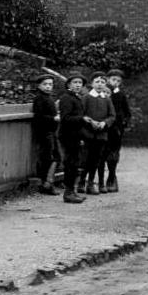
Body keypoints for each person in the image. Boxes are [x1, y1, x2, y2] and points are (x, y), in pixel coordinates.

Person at [81, 71, 116, 195]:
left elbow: (112, 116)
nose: (100, 84)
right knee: (86, 158)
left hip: (101, 134)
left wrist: (104, 123)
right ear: (92, 83)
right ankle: (81, 182)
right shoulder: (86, 97)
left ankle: (91, 183)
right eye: (97, 82)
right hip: (87, 133)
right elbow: (81, 114)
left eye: (102, 82)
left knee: (96, 159)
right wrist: (89, 121)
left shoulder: (106, 99)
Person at [57, 72, 87, 203]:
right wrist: (83, 118)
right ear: (69, 84)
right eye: (75, 82)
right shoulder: (66, 98)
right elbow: (66, 118)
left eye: (80, 83)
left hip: (75, 135)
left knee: (75, 164)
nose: (78, 85)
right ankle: (68, 193)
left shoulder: (76, 97)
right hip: (68, 135)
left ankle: (72, 191)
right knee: (70, 164)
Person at [31, 73, 60, 195]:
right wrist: (54, 119)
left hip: (51, 132)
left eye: (50, 84)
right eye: (45, 84)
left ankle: (48, 183)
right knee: (48, 158)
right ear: (39, 85)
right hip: (44, 132)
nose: (48, 87)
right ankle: (46, 184)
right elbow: (39, 117)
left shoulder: (48, 97)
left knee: (55, 157)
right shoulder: (39, 98)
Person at [104, 68, 131, 192]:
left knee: (113, 154)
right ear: (108, 79)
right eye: (113, 79)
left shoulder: (120, 94)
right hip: (103, 127)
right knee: (101, 153)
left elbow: (127, 112)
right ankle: (98, 181)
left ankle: (111, 177)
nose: (115, 82)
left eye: (118, 81)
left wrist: (123, 123)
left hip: (116, 129)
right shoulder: (102, 92)